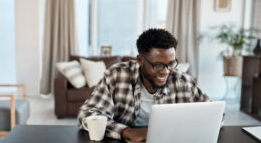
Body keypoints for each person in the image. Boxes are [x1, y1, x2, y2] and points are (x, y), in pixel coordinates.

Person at [77, 28, 211, 142]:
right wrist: (126, 132)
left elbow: (213, 115)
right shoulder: (117, 75)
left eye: (170, 64)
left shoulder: (183, 82)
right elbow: (87, 114)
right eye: (157, 65)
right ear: (140, 60)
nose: (165, 71)